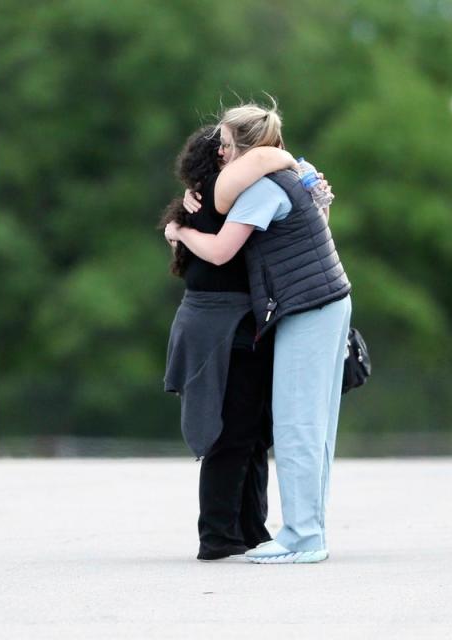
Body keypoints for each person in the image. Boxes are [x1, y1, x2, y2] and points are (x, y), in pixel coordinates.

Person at [165, 100, 352, 565]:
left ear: (245, 148)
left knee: (296, 426)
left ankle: (302, 535)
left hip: (307, 306)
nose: (221, 152)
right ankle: (294, 531)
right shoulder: (280, 178)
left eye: (226, 143)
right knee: (299, 426)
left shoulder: (261, 183)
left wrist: (178, 230)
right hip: (315, 303)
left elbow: (223, 249)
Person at [161, 125, 299, 561]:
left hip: (220, 324)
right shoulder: (216, 204)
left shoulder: (199, 205)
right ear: (221, 159)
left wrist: (176, 228)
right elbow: (222, 255)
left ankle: (248, 529)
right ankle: (221, 534)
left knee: (249, 433)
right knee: (238, 433)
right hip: (230, 327)